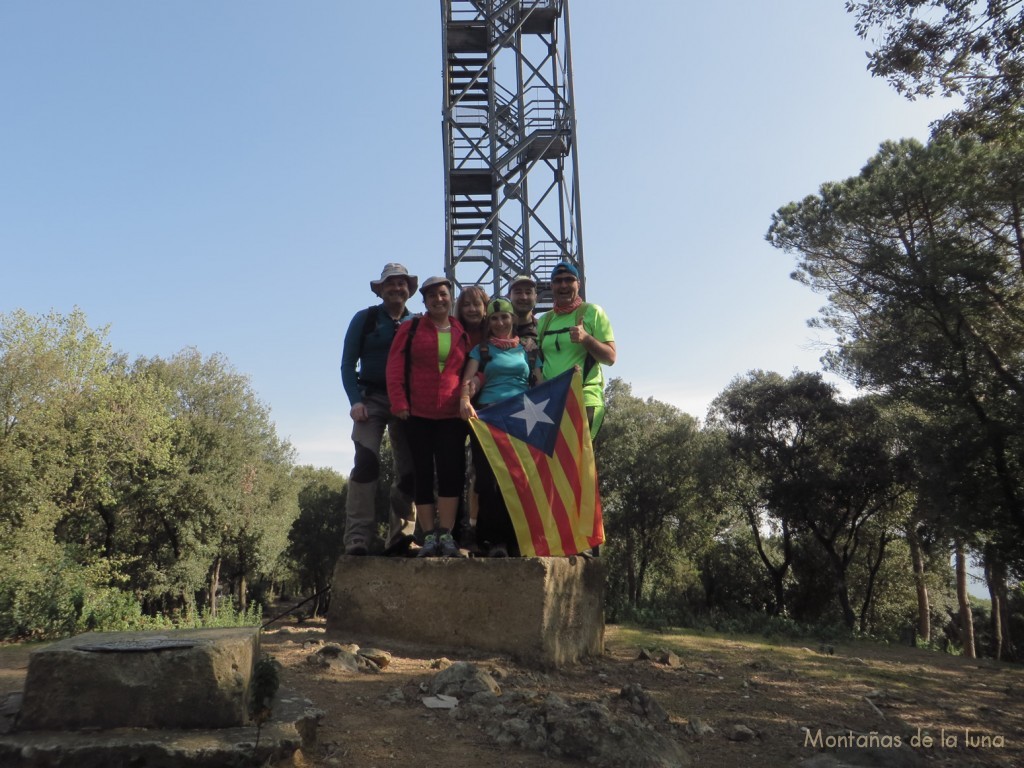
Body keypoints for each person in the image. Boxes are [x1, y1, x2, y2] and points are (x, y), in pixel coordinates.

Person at [386, 276, 471, 558]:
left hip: (451, 415)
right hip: (417, 413)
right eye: (432, 296)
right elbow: (395, 368)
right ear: (424, 301)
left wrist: (469, 393)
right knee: (421, 474)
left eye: (443, 294)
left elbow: (474, 368)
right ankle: (429, 535)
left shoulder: (461, 331)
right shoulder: (411, 328)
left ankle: (446, 534)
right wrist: (399, 402)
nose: (438, 299)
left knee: (451, 474)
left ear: (451, 298)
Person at [339, 263, 419, 556]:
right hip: (370, 399)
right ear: (380, 290)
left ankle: (401, 536)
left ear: (409, 289)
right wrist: (354, 401)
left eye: (402, 284)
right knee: (366, 462)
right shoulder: (366, 319)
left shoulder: (417, 323)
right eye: (390, 284)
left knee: (408, 470)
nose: (397, 289)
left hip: (406, 403)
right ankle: (358, 537)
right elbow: (348, 364)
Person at [460, 297, 539, 557]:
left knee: (519, 478)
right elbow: (469, 379)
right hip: (488, 417)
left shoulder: (526, 350)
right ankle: (494, 540)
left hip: (521, 416)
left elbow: (539, 380)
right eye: (494, 318)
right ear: (489, 322)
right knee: (488, 480)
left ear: (513, 319)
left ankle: (517, 538)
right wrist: (465, 398)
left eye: (504, 317)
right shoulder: (481, 350)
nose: (500, 322)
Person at [535, 261, 616, 438]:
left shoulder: (593, 312)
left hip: (584, 398)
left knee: (582, 460)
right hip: (552, 401)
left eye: (569, 279)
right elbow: (539, 360)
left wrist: (586, 339)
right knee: (557, 464)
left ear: (578, 284)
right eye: (558, 281)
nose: (563, 285)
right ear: (551, 286)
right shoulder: (544, 320)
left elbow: (610, 357)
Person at [508, 274, 538, 341]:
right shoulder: (499, 328)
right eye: (518, 292)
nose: (524, 297)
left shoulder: (544, 328)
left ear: (536, 297)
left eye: (528, 292)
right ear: (509, 296)